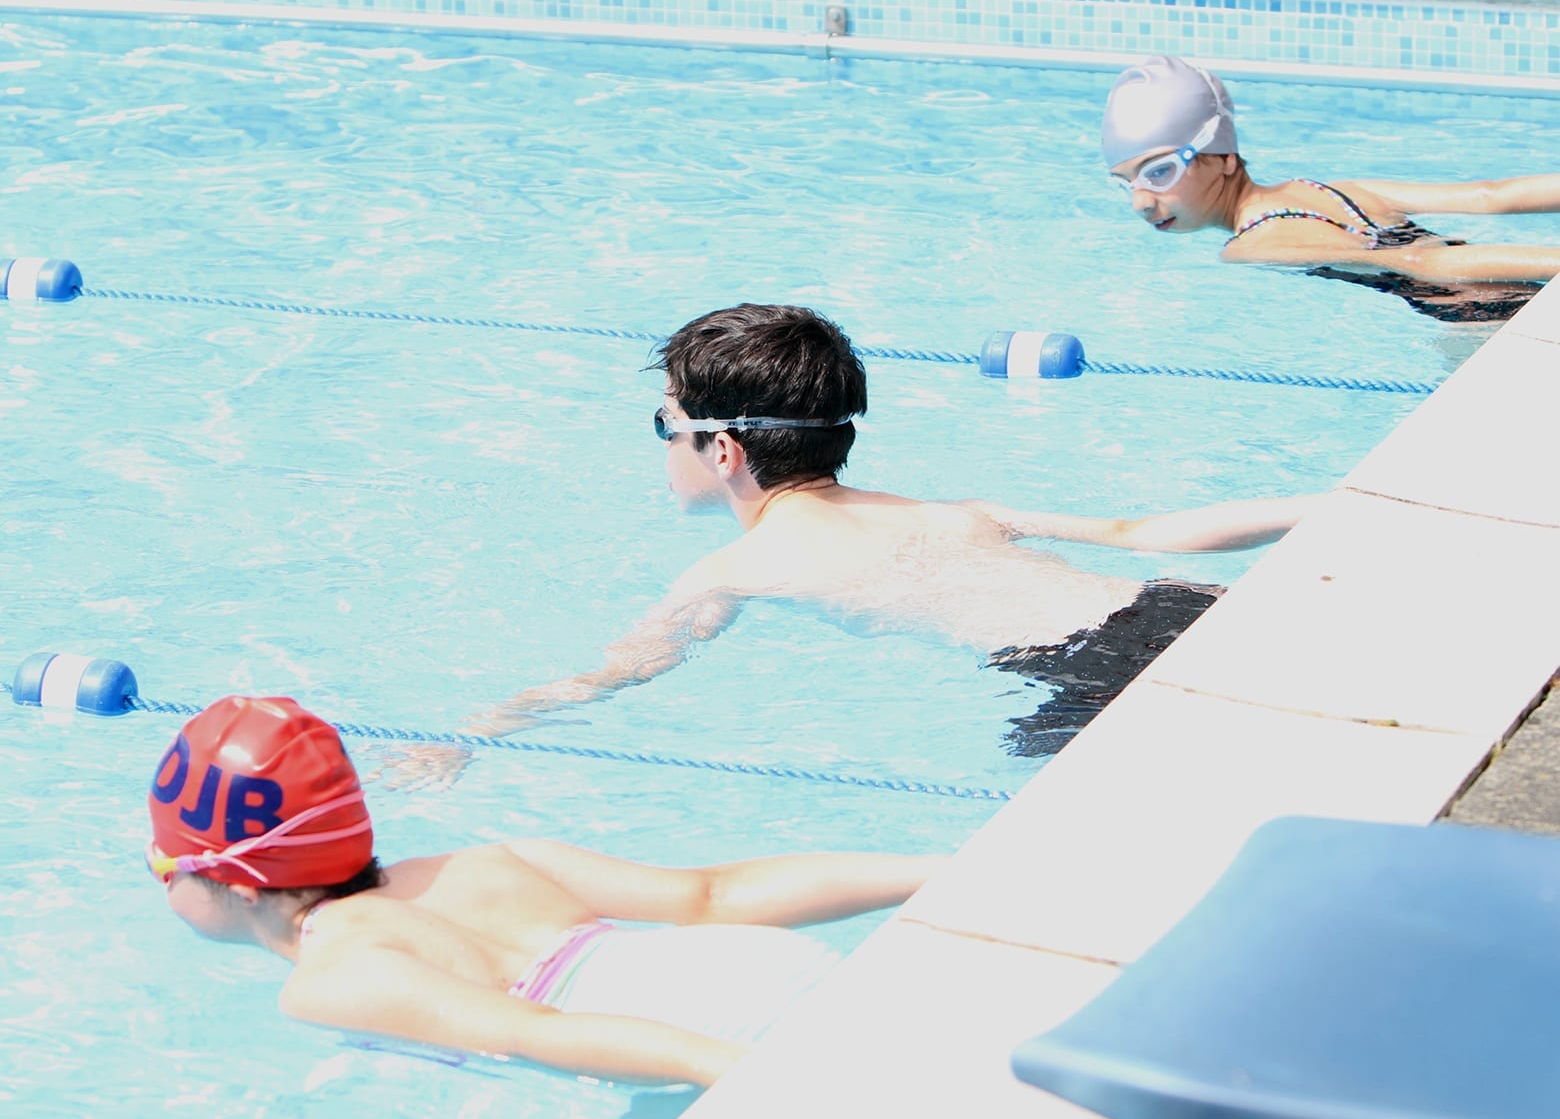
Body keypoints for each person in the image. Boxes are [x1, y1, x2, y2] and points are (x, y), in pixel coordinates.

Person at [385, 303, 1316, 788]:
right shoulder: (947, 508)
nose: (661, 446)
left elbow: (613, 673)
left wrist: (468, 737)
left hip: (1086, 674)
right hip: (1175, 607)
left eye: (662, 425)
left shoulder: (738, 566)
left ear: (723, 449)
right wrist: (1333, 502)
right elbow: (1137, 532)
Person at [146, 695, 942, 1088]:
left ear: (235, 882)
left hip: (715, 1035)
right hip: (779, 967)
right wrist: (941, 873)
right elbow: (712, 894)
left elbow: (540, 1035)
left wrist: (762, 1079)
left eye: (163, 863)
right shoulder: (486, 860)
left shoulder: (327, 979)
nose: (159, 877)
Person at [1101, 53, 1560, 323]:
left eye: (1158, 172)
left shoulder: (1249, 247)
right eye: (1126, 183)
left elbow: (1421, 262)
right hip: (1515, 293)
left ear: (1222, 157)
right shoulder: (1332, 190)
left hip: (1483, 320)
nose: (1141, 202)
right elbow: (1489, 195)